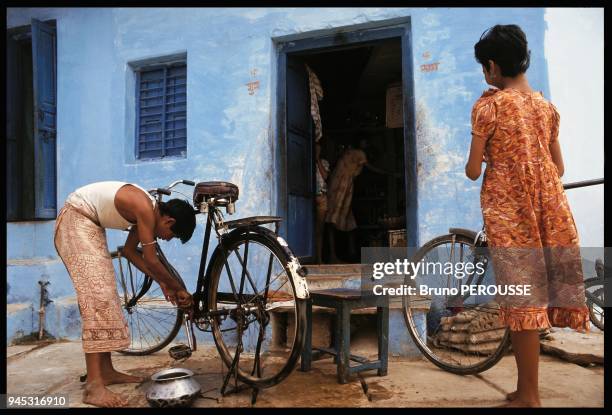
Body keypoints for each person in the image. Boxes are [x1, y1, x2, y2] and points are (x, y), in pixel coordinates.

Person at [466, 25, 589, 407]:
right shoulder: (547, 108)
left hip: (511, 214)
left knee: (523, 304)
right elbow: (559, 167)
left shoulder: (489, 106)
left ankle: (529, 396)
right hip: (550, 212)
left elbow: (472, 170)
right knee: (535, 301)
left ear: (492, 67)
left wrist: (491, 160)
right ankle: (525, 389)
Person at [53, 181, 196, 407]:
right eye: (171, 235)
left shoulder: (147, 211)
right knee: (96, 297)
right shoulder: (145, 209)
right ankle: (93, 386)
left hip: (89, 224)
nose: (167, 239)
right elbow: (150, 258)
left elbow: (129, 252)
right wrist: (178, 287)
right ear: (169, 221)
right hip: (75, 220)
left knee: (106, 295)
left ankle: (106, 371)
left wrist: (163, 282)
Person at [314, 141, 330, 263]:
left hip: (322, 197)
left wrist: (317, 159)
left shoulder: (324, 162)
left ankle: (319, 260)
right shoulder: (307, 163)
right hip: (309, 198)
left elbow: (325, 176)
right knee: (311, 229)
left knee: (320, 230)